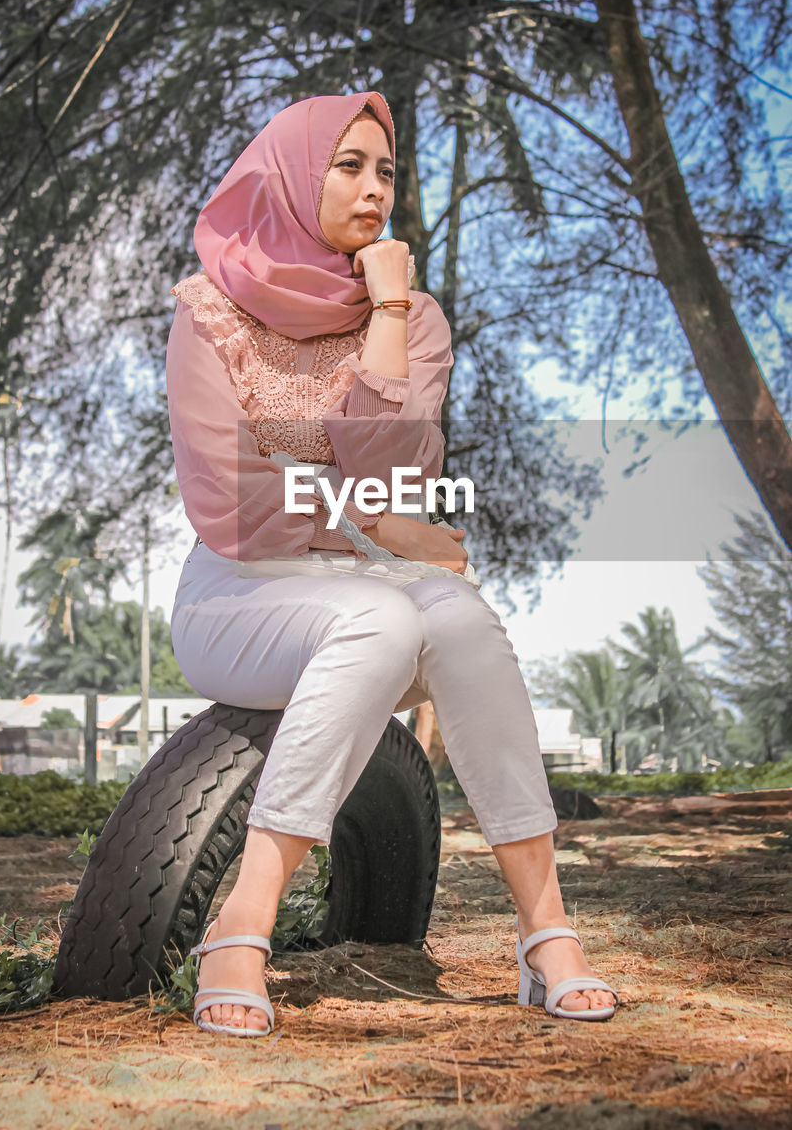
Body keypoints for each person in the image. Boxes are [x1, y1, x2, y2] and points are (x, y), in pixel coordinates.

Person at [165, 91, 619, 1037]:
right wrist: (389, 528)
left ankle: (545, 933)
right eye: (348, 167)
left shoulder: (410, 316)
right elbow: (231, 507)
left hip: (363, 586)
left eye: (387, 172)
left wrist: (385, 305)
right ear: (289, 175)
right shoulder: (209, 309)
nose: (374, 191)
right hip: (240, 595)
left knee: (460, 619)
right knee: (392, 612)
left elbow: (394, 472)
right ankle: (241, 923)